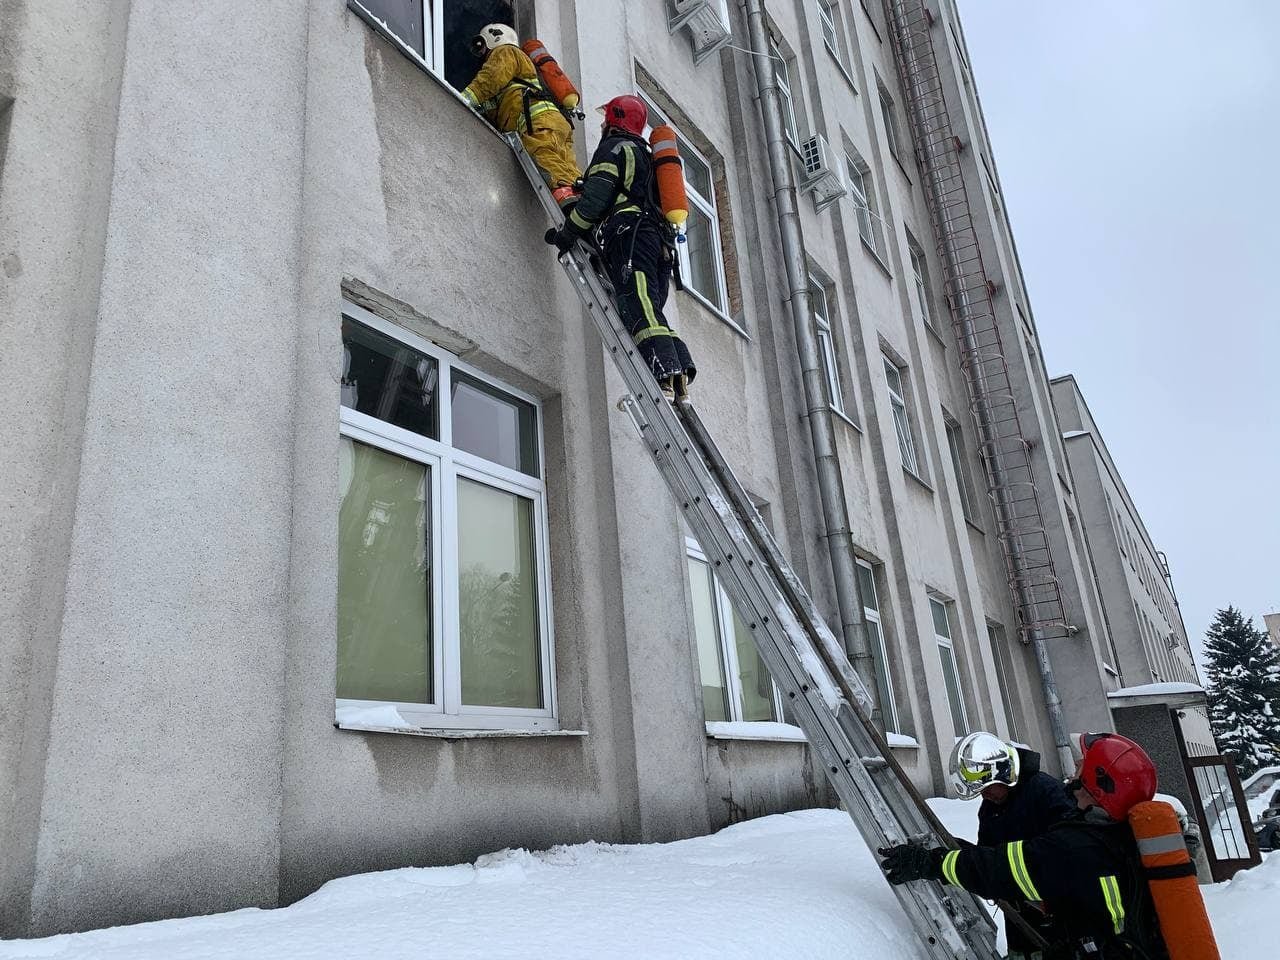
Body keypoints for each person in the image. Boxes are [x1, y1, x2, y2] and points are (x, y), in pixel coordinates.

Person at [882, 733, 1167, 960]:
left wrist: (931, 863)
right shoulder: (1104, 833)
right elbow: (995, 860)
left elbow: (1010, 869)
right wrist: (961, 852)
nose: (1071, 775)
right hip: (1071, 929)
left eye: (1080, 767)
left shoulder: (1073, 838)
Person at [545, 95, 697, 400]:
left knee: (637, 303)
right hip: (659, 245)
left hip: (631, 236)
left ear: (616, 118)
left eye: (606, 118)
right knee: (649, 308)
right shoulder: (645, 155)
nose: (601, 123)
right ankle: (677, 374)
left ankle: (664, 372)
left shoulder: (615, 149)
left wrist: (568, 233)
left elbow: (596, 200)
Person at [950, 732, 1076, 959]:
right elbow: (991, 861)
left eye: (987, 787)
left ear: (1004, 773)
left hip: (1061, 921)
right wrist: (963, 854)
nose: (984, 795)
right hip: (1019, 922)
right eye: (979, 791)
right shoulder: (990, 809)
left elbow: (1068, 853)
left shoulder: (1046, 792)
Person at [460, 24, 581, 208]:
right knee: (567, 166)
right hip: (556, 123)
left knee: (544, 155)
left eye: (484, 46)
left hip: (537, 122)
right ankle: (583, 206)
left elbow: (490, 79)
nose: (483, 54)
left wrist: (463, 99)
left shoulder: (505, 52)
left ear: (495, 38)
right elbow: (498, 104)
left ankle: (567, 199)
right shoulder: (521, 71)